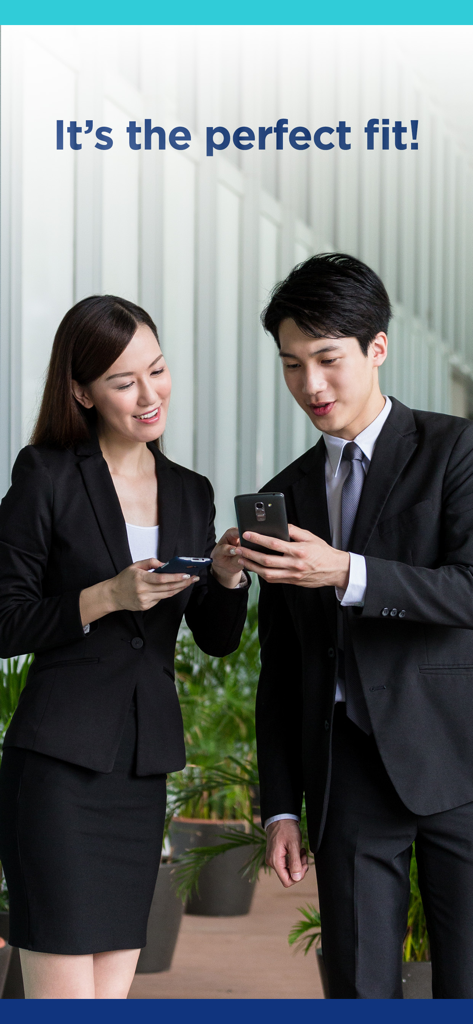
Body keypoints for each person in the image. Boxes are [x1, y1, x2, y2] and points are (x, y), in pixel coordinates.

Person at [235, 252, 473, 999]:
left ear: (377, 347)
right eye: (291, 364)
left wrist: (346, 572)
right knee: (359, 986)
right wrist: (279, 802)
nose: (310, 385)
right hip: (347, 771)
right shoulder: (282, 495)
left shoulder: (455, 451)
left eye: (327, 359)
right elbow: (282, 664)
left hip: (459, 760)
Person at [0, 295, 248, 999]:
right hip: (56, 768)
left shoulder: (191, 493)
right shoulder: (47, 475)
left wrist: (226, 577)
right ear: (80, 391)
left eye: (157, 370)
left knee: (109, 997)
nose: (149, 395)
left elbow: (217, 638)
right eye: (121, 380)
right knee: (62, 997)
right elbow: (4, 618)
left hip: (139, 771)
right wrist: (104, 597)